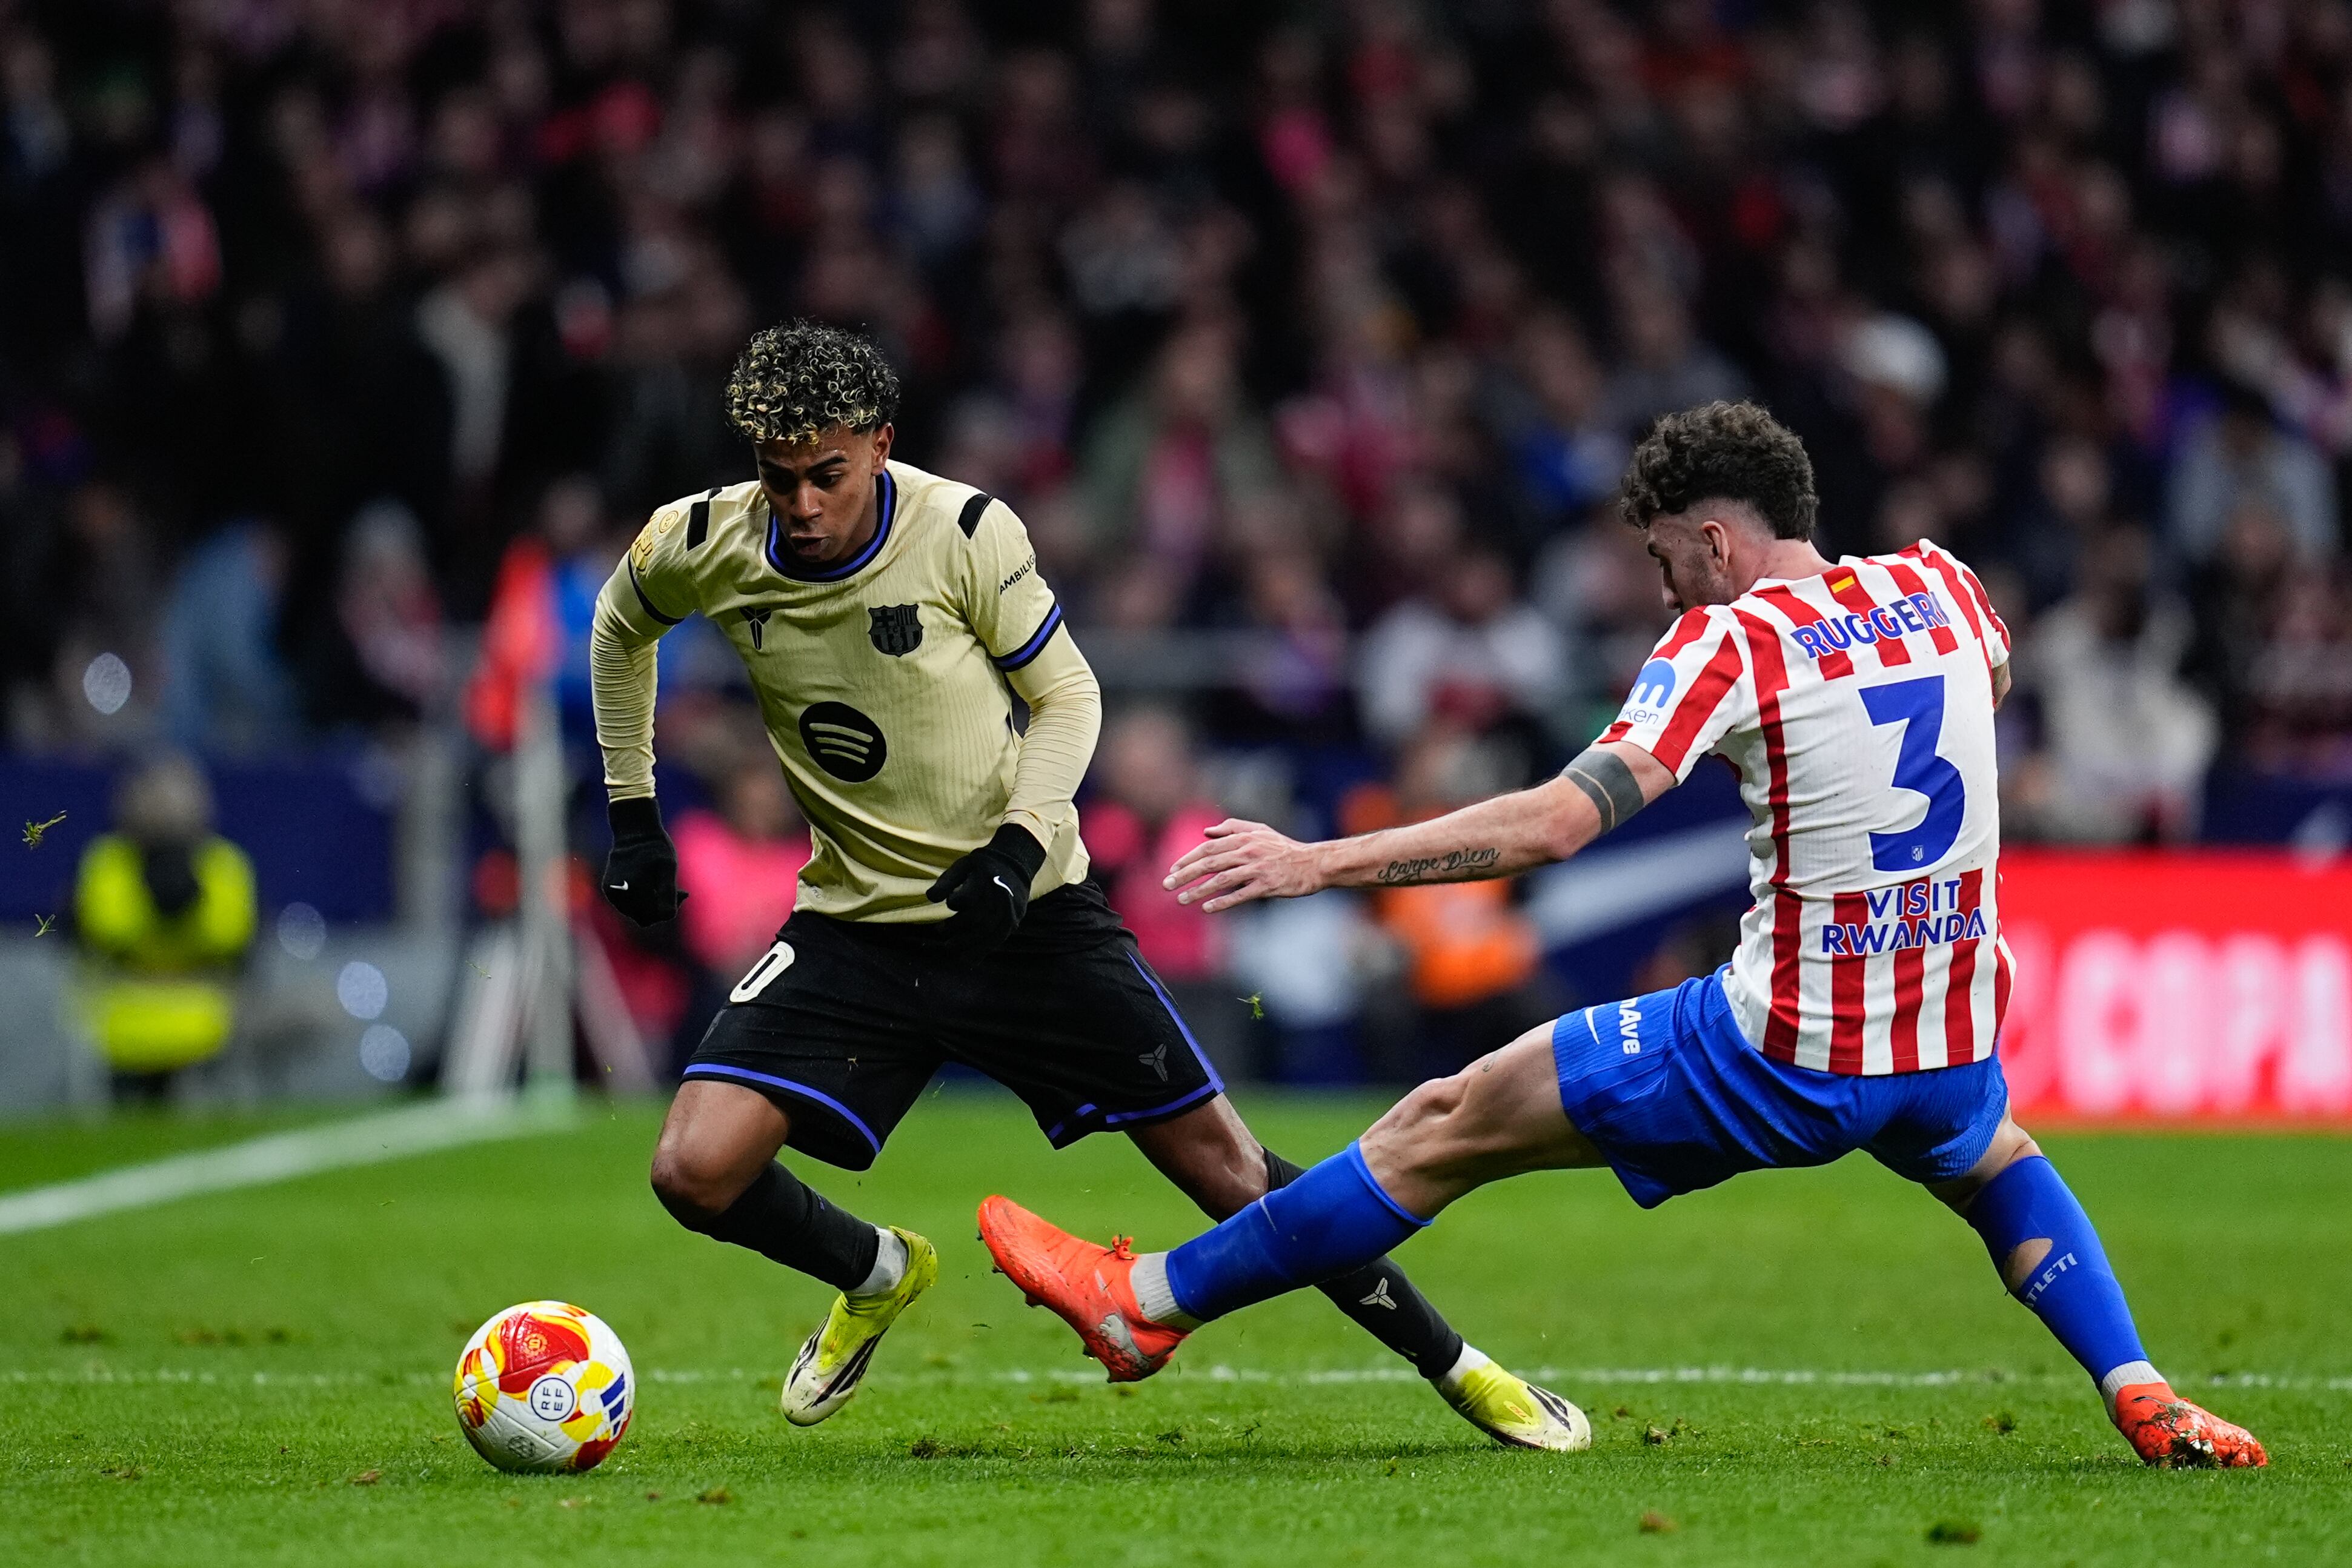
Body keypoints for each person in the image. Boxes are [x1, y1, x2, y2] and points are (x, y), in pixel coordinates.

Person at [980, 400, 2267, 1470]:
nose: (1660, 591)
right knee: (1992, 1160)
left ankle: (1146, 1303)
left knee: (1441, 1121)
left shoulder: (1728, 638)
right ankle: (2140, 1387)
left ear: (1715, 540)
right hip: (1943, 1032)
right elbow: (1983, 685)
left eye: (1662, 562)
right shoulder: (1948, 587)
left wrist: (1319, 860)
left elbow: (1554, 825)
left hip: (1779, 1047)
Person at [589, 320, 1580, 1447]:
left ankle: (1461, 1369)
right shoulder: (701, 539)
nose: (804, 506)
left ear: (880, 445)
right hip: (854, 925)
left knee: (1231, 1173)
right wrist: (634, 810)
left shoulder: (964, 531)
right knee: (693, 1171)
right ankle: (876, 1270)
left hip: (1026, 917)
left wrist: (1019, 848)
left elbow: (1067, 694)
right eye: (781, 480)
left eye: (828, 475)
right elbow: (619, 631)